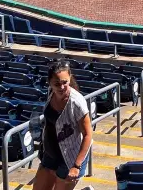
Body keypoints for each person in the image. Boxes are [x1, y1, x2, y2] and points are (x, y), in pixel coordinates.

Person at [34, 61, 93, 190]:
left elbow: (88, 135)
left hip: (70, 158)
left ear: (70, 78)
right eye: (57, 84)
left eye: (65, 82)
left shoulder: (76, 103)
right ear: (50, 83)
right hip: (50, 152)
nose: (61, 87)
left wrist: (76, 166)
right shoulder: (50, 92)